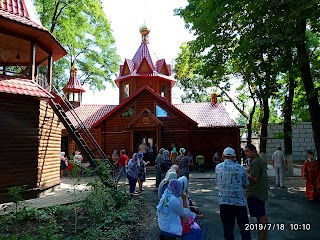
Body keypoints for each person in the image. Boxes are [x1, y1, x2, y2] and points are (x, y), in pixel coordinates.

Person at [216, 147, 251, 240]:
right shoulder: (240, 168)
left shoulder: (218, 167)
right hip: (238, 202)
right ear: (234, 157)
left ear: (223, 156)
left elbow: (218, 182)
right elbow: (246, 184)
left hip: (224, 202)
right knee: (244, 228)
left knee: (227, 229)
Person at [245, 144, 268, 240]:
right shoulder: (256, 160)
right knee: (260, 216)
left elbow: (254, 178)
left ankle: (262, 238)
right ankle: (261, 237)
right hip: (258, 192)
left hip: (256, 193)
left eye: (247, 151)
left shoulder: (255, 162)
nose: (246, 153)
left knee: (261, 216)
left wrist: (245, 173)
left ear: (253, 150)